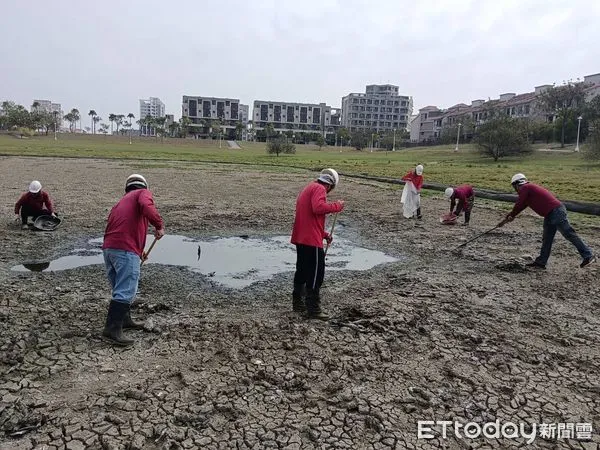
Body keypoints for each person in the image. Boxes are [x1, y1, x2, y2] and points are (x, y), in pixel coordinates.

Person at [101, 174, 165, 346]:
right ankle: (112, 330)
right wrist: (159, 225)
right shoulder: (142, 194)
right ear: (143, 186)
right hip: (124, 250)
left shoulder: (120, 203)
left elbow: (123, 228)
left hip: (110, 249)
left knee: (119, 287)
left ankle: (125, 320)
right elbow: (147, 206)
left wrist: (138, 251)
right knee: (126, 288)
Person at [498, 173, 595, 269]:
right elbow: (521, 206)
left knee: (568, 233)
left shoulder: (525, 188)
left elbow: (519, 203)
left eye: (514, 186)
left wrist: (511, 215)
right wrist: (509, 216)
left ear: (516, 184)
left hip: (555, 211)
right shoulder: (529, 190)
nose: (515, 189)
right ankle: (541, 262)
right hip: (550, 213)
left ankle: (588, 255)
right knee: (547, 238)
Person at [291, 168, 345, 320]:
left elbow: (310, 217)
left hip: (302, 237)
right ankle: (313, 309)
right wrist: (336, 206)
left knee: (302, 270)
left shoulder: (308, 187)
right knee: (316, 274)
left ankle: (298, 303)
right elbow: (318, 208)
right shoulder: (320, 189)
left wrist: (324, 234)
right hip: (311, 240)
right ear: (330, 185)